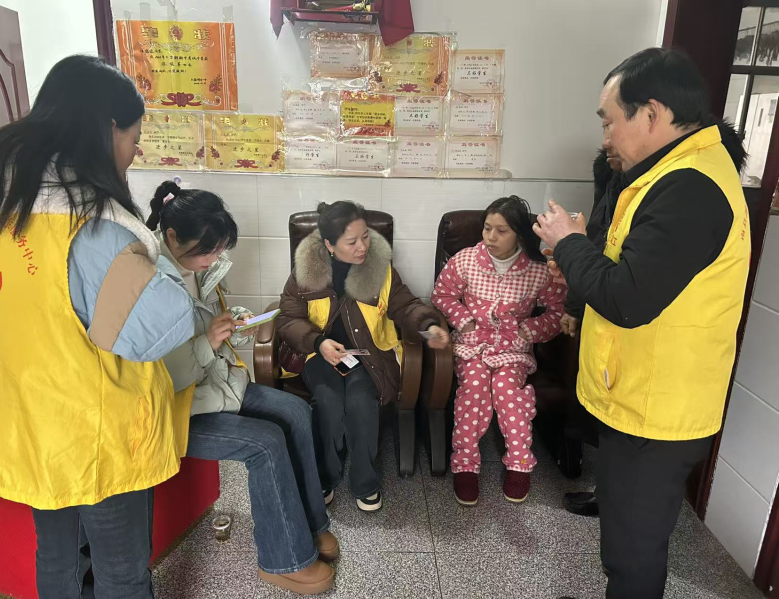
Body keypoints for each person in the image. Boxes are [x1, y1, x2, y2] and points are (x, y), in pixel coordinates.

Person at [535, 48, 750, 599]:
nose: (605, 137)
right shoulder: (668, 174)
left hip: (657, 411)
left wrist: (569, 243)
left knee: (631, 556)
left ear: (651, 113)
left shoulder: (691, 187)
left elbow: (627, 298)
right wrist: (579, 254)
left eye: (610, 121)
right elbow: (627, 269)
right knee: (626, 535)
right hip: (639, 395)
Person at [0, 56, 196, 598]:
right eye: (133, 137)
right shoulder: (90, 227)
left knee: (56, 556)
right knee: (120, 571)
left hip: (23, 423)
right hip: (93, 432)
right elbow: (159, 326)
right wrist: (165, 263)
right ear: (107, 129)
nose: (134, 151)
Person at [148, 181, 338, 595]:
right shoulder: (154, 286)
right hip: (175, 408)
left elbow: (207, 330)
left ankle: (310, 523)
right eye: (208, 250)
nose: (214, 258)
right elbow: (168, 376)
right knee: (265, 443)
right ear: (172, 237)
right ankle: (283, 560)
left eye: (219, 249)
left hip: (213, 388)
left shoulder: (200, 269)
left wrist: (230, 324)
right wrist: (209, 341)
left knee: (296, 412)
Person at [276, 201, 449, 512]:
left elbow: (406, 306)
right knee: (327, 400)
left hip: (369, 355)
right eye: (351, 241)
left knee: (361, 400)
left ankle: (365, 481)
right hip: (320, 354)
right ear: (329, 245)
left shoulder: (382, 271)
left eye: (366, 236)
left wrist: (428, 324)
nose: (363, 247)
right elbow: (288, 318)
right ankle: (326, 475)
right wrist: (318, 342)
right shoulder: (304, 272)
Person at [431, 196, 566, 505]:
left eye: (501, 231)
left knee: (508, 391)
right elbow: (442, 295)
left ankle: (519, 464)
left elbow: (559, 311)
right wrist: (464, 321)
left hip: (513, 349)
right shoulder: (466, 260)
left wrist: (530, 329)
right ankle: (465, 465)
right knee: (474, 387)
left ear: (519, 234)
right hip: (472, 346)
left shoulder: (538, 270)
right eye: (487, 228)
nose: (491, 237)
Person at [559, 148, 624, 518]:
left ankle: (613, 495)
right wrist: (573, 305)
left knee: (619, 409)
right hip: (603, 308)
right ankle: (607, 489)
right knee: (604, 402)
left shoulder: (663, 188)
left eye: (610, 124)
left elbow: (591, 249)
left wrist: (572, 304)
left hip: (628, 318)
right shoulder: (615, 178)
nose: (607, 140)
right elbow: (595, 248)